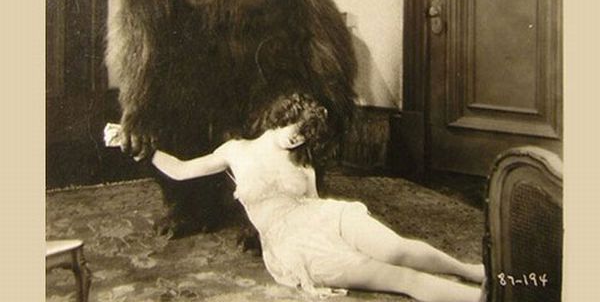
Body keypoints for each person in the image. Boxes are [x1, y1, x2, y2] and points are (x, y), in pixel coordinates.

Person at [113, 94, 485, 301]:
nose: (298, 138)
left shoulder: (301, 161)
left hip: (326, 217)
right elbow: (181, 170)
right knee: (398, 277)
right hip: (295, 246)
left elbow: (314, 200)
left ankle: (470, 270)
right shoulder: (235, 151)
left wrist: (334, 219)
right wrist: (145, 149)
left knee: (397, 249)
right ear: (280, 117)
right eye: (296, 128)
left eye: (306, 134)